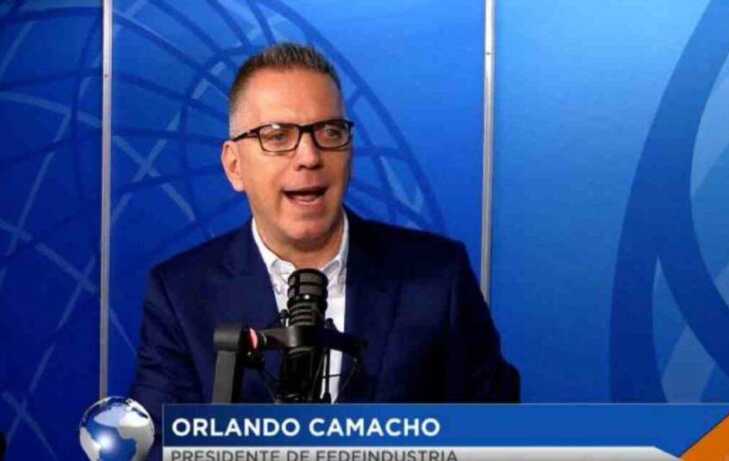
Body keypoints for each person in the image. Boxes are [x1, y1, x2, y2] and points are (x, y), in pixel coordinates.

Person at [130, 41, 519, 429]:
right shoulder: (181, 294)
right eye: (277, 136)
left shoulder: (438, 277)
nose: (309, 157)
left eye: (329, 132)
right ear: (235, 166)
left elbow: (495, 434)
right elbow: (160, 443)